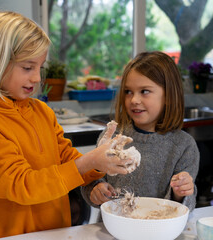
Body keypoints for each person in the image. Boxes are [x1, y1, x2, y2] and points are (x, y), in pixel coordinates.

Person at [0, 10, 132, 240]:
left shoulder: (43, 112)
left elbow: (67, 159)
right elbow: (22, 185)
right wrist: (88, 162)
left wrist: (98, 164)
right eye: (27, 67)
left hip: (56, 233)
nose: (36, 78)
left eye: (39, 68)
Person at [81, 51, 200, 213]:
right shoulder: (112, 138)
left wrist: (181, 192)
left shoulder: (184, 146)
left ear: (168, 96)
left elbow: (186, 205)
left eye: (144, 91)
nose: (134, 100)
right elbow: (92, 180)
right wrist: (95, 189)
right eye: (128, 91)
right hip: (116, 230)